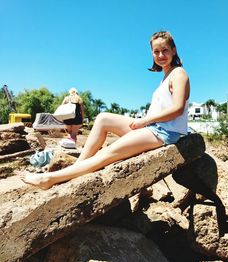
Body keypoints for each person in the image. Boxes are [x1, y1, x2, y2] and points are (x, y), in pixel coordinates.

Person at [21, 31, 190, 189]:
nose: (160, 55)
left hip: (165, 133)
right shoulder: (165, 77)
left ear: (174, 50)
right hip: (153, 128)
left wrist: (145, 120)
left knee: (110, 152)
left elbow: (177, 109)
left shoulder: (178, 73)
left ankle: (48, 180)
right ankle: (77, 167)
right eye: (156, 51)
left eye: (165, 50)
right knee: (103, 118)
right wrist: (145, 123)